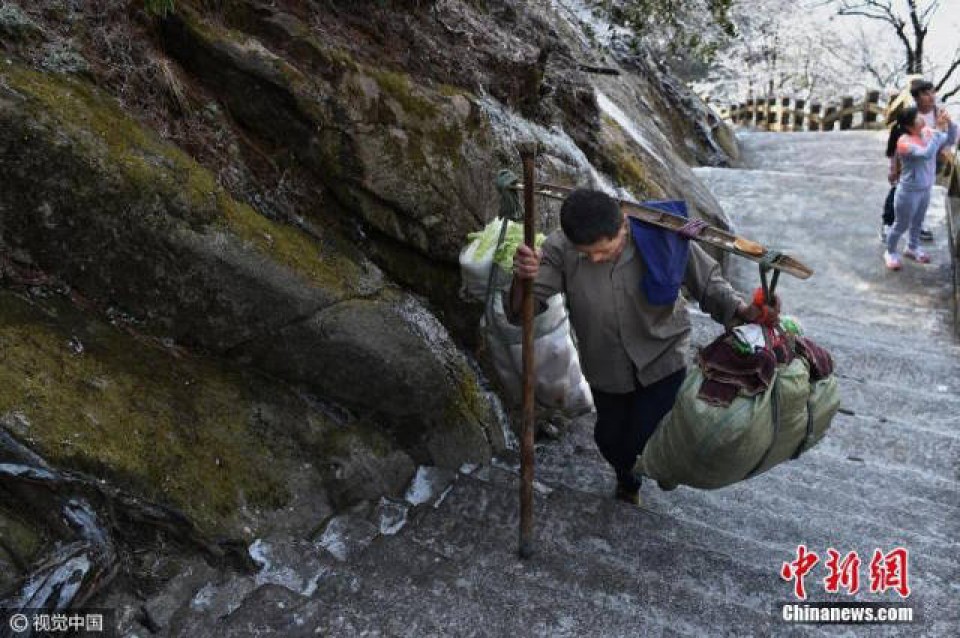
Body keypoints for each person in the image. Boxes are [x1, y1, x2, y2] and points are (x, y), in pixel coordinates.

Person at [510, 189, 775, 505]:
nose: (595, 259)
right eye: (587, 254)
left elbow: (708, 283)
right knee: (607, 440)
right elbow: (521, 311)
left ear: (624, 225)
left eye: (605, 250)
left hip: (664, 355)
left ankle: (661, 466)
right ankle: (631, 479)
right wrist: (521, 279)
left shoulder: (661, 231)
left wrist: (743, 311)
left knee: (639, 438)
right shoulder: (560, 248)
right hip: (605, 365)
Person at [883, 105, 957, 270]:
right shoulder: (903, 141)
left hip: (925, 188)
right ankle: (890, 252)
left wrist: (950, 123)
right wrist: (937, 132)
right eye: (917, 117)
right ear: (909, 125)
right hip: (908, 191)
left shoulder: (927, 133)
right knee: (901, 224)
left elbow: (951, 139)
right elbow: (926, 154)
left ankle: (912, 247)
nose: (921, 118)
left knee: (918, 221)